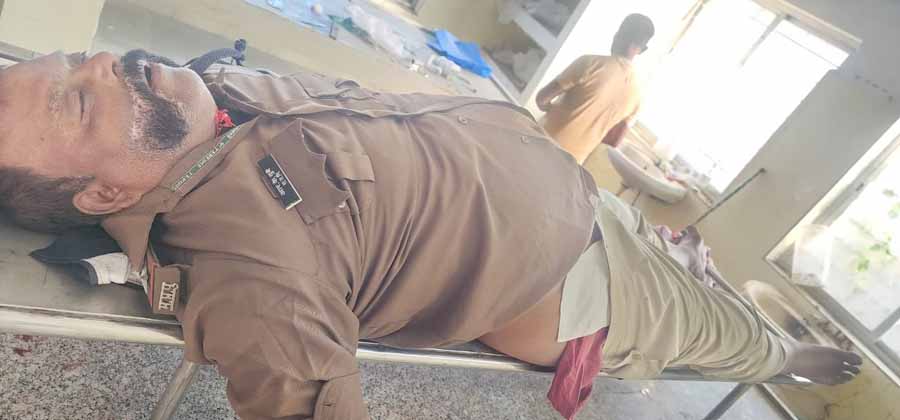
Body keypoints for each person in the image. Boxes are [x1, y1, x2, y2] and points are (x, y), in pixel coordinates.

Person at [0, 50, 861, 420]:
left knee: (688, 268)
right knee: (728, 335)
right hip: (586, 285)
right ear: (104, 191)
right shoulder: (245, 272)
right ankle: (786, 355)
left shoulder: (207, 97)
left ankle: (720, 293)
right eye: (77, 100)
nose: (102, 64)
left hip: (579, 194)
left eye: (75, 63)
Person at [536, 13, 654, 164]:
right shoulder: (637, 96)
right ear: (642, 50)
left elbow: (542, 98)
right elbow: (613, 141)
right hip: (571, 165)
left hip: (540, 143)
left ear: (618, 35)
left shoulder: (590, 63)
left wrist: (553, 111)